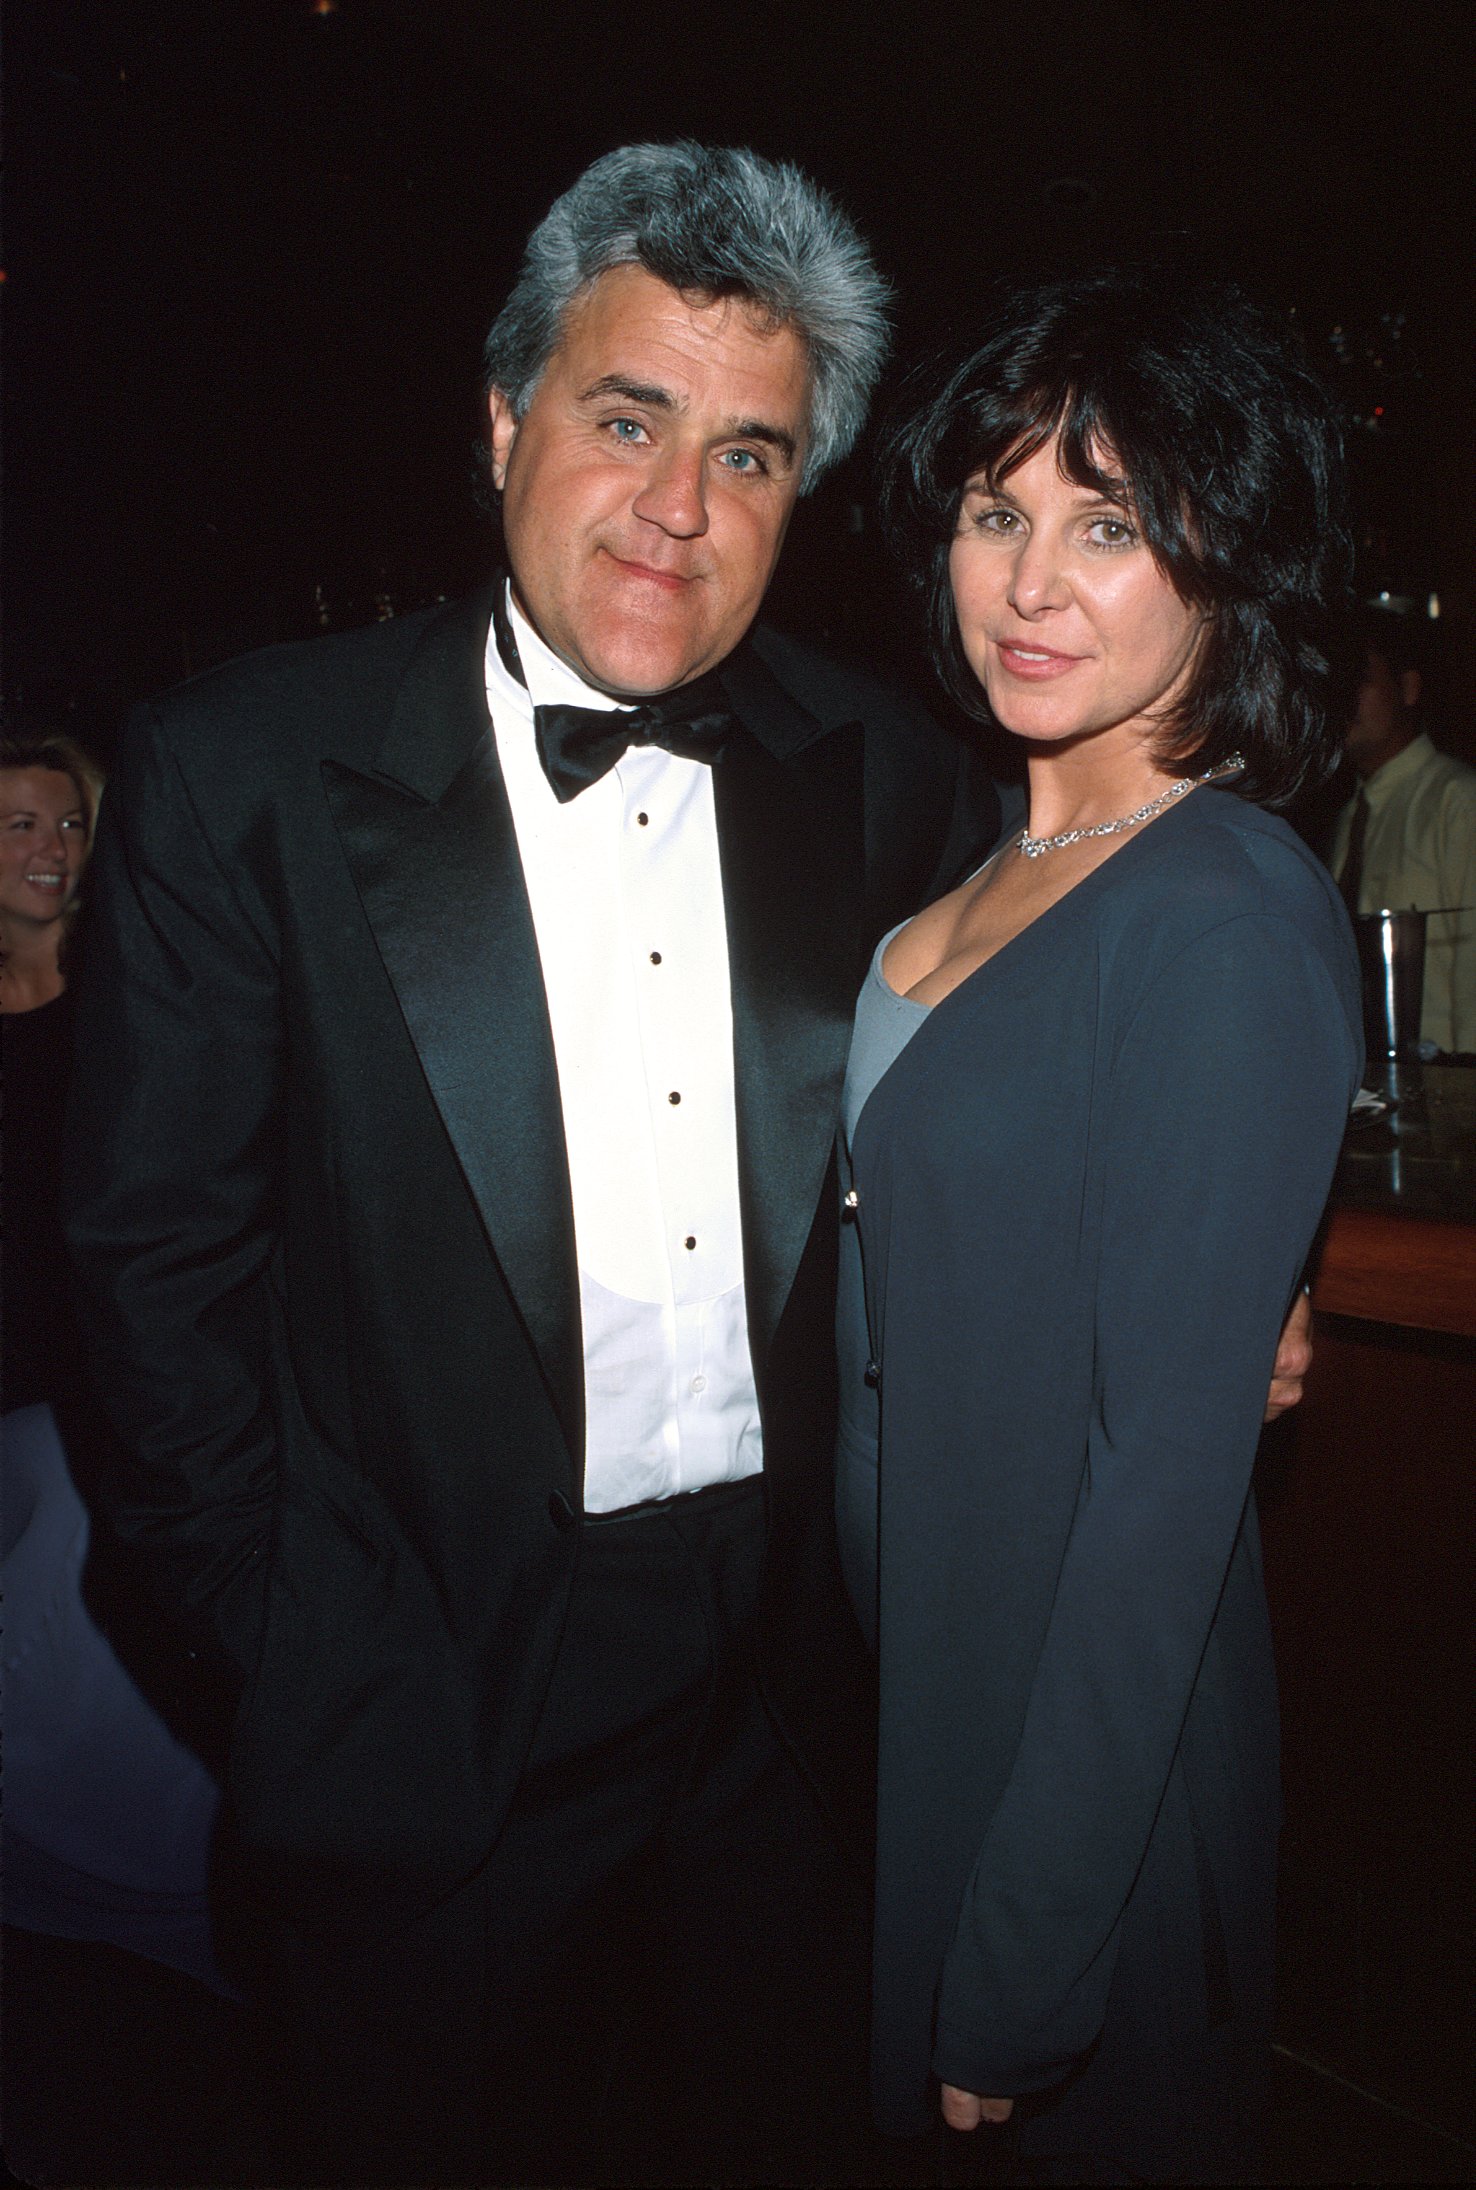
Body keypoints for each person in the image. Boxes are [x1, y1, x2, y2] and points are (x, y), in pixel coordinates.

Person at [62, 149, 1310, 2182]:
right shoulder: (241, 775)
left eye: (750, 453)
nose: (678, 506)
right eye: (626, 418)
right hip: (422, 1721)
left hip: (795, 1727)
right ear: (501, 423)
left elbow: (1079, 1048)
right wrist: (300, 1677)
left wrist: (1259, 1259)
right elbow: (148, 1288)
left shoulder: (888, 771)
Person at [838, 271, 1362, 2183]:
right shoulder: (1006, 847)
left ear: (1228, 561)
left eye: (1109, 522)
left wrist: (1033, 1947)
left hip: (1075, 1759)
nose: (1030, 582)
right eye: (998, 513)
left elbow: (1161, 1501)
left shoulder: (1219, 905)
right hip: (926, 1687)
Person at [1330, 607, 1476, 1053]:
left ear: (1408, 688)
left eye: (1362, 679)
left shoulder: (1457, 801)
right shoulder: (1351, 814)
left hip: (1445, 1086)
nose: (1343, 697)